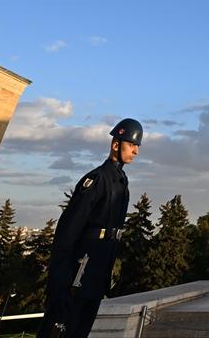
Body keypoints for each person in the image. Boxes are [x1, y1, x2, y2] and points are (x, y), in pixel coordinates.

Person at [36, 118, 140, 338]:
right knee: (60, 329)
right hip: (78, 272)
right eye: (131, 144)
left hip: (97, 273)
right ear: (115, 144)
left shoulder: (121, 182)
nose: (136, 151)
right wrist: (59, 280)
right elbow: (68, 230)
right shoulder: (97, 178)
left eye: (137, 146)